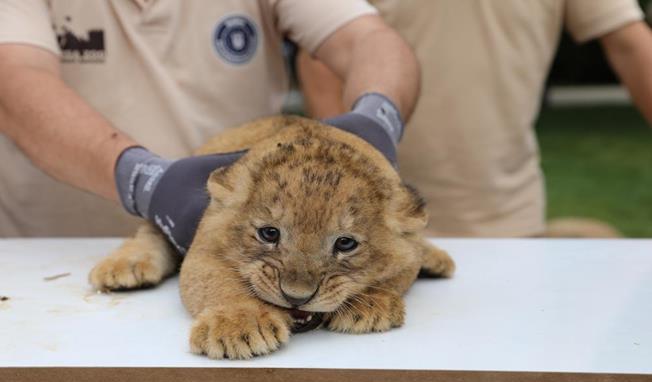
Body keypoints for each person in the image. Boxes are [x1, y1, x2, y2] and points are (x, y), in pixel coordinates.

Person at [0, 0, 419, 253]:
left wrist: (376, 117)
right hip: (54, 267)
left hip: (239, 254)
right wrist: (142, 180)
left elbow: (368, 39)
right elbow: (15, 81)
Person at [297, 0, 652, 238]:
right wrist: (345, 191)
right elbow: (321, 61)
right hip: (378, 226)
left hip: (511, 217)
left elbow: (631, 45)